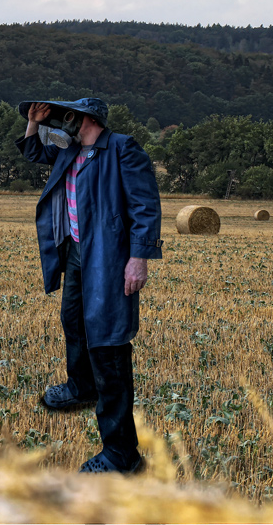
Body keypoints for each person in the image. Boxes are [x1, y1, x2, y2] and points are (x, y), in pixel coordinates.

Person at [15, 97, 163, 474]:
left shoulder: (121, 148)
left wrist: (139, 257)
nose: (62, 123)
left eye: (68, 116)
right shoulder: (69, 153)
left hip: (109, 260)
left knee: (108, 344)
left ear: (88, 118)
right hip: (77, 255)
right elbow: (33, 152)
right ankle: (81, 387)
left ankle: (121, 454)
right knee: (73, 323)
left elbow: (145, 206)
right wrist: (33, 121)